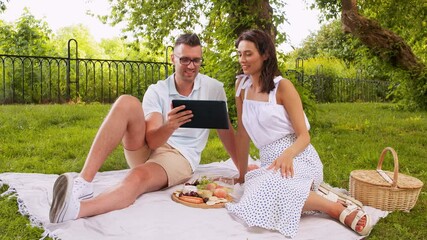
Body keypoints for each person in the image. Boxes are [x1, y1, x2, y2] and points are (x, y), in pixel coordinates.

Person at [49, 33, 237, 223]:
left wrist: (243, 169)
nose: (191, 66)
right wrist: (170, 125)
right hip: (151, 145)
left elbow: (225, 130)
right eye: (185, 59)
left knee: (137, 176)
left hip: (180, 157)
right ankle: (84, 183)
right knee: (126, 102)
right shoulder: (157, 90)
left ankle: (75, 210)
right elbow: (153, 140)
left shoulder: (213, 88)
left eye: (196, 60)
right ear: (173, 58)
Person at [225, 29, 373, 238]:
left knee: (267, 188)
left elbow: (304, 136)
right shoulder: (241, 85)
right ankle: (313, 195)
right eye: (240, 54)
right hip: (270, 160)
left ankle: (333, 208)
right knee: (253, 187)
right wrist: (241, 174)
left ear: (265, 54)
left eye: (248, 54)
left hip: (298, 156)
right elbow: (242, 133)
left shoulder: (283, 87)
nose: (242, 59)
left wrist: (287, 154)